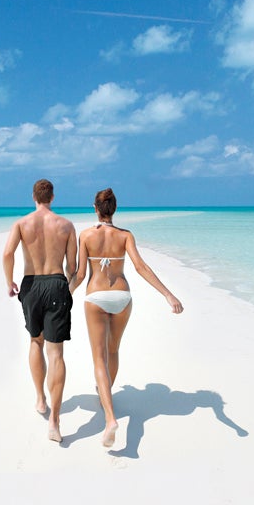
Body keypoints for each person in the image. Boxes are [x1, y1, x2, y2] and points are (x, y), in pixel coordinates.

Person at [71, 188, 182, 448]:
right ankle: (106, 395)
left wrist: (65, 295)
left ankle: (110, 417)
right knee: (113, 350)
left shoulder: (86, 235)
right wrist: (168, 295)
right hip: (122, 297)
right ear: (114, 209)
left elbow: (79, 274)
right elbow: (141, 267)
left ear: (95, 208)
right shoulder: (125, 236)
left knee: (98, 356)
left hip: (96, 297)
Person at [2, 178, 79, 442]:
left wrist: (9, 281)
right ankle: (55, 422)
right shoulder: (66, 226)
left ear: (33, 198)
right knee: (56, 353)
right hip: (57, 284)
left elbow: (7, 254)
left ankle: (40, 399)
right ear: (52, 197)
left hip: (31, 284)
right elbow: (73, 267)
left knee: (35, 341)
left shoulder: (22, 224)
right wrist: (67, 288)